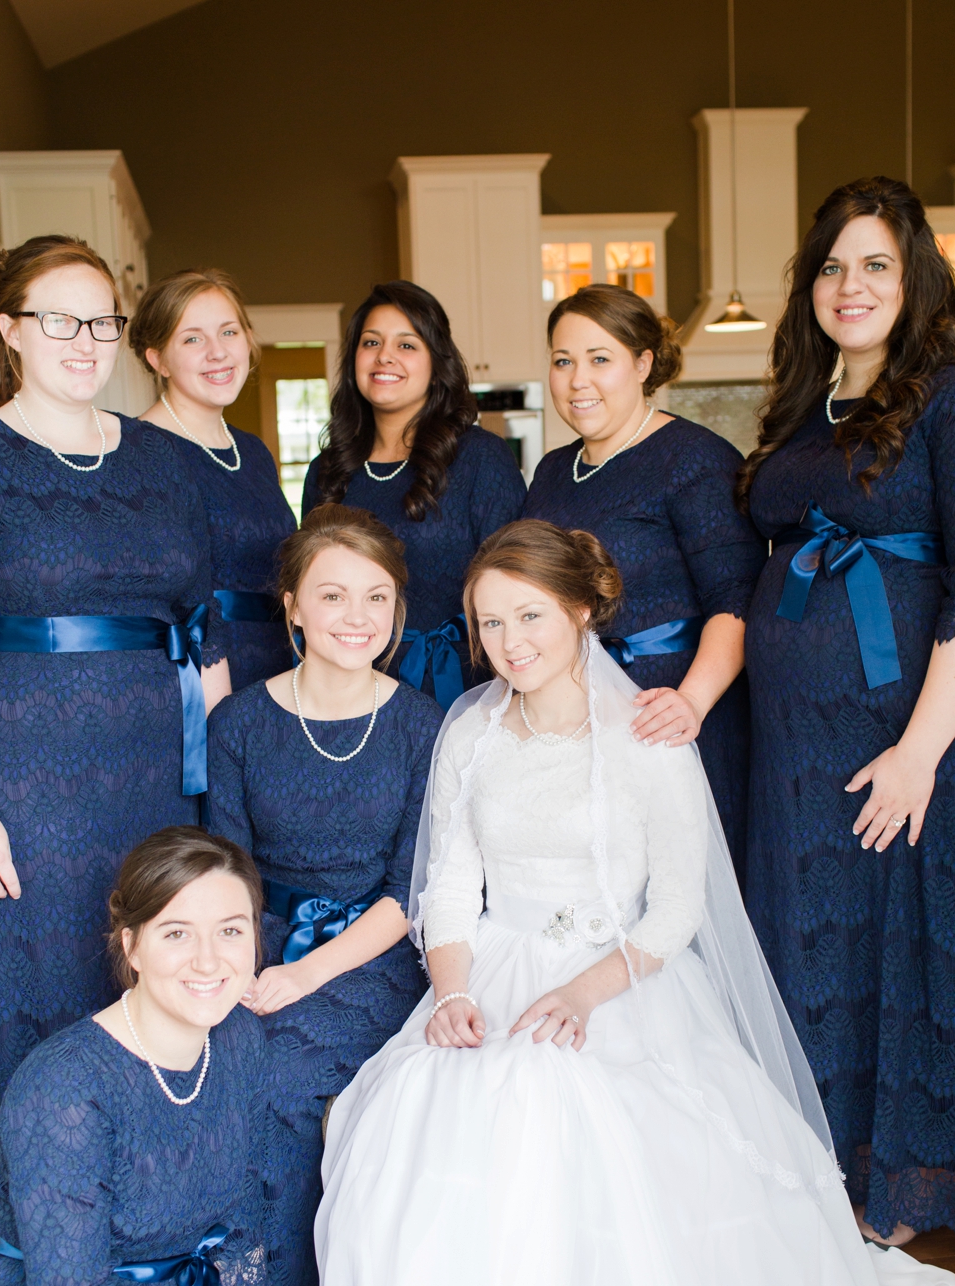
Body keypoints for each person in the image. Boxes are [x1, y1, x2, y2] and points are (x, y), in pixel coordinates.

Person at [315, 519, 955, 1286]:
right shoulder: (470, 730)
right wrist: (453, 993)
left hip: (620, 976)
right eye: (490, 622)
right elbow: (451, 885)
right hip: (492, 968)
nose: (510, 643)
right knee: (420, 1117)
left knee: (572, 1105)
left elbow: (675, 909)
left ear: (581, 611)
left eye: (530, 616)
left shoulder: (647, 732)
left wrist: (585, 995)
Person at [0, 236, 229, 1251]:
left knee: (155, 993)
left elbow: (202, 632)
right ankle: (39, 1259)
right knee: (38, 1009)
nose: (85, 340)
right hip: (20, 792)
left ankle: (155, 1243)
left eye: (102, 320)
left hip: (153, 783)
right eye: (58, 319)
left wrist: (219, 805)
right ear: (11, 331)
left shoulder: (164, 461)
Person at [0, 826, 377, 1286]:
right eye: (177, 933)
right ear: (132, 945)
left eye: (230, 930)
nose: (209, 961)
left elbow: (235, 1228)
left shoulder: (238, 1042)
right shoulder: (64, 1085)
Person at [737, 176, 955, 1248]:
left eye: (876, 264)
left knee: (898, 956)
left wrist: (918, 752)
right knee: (811, 954)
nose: (852, 285)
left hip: (906, 738)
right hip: (792, 748)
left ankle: (908, 1194)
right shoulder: (805, 406)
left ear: (915, 276)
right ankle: (822, 1174)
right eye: (832, 266)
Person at [207, 503, 444, 1286]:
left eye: (377, 598)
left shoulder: (420, 724)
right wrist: (235, 968)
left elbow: (409, 891)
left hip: (373, 955)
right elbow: (227, 872)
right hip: (258, 941)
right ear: (293, 606)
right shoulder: (239, 722)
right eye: (333, 595)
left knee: (278, 1080)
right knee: (205, 1062)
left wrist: (305, 973)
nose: (357, 617)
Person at [524, 284, 765, 877]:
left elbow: (737, 598)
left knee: (676, 894)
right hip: (579, 722)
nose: (578, 380)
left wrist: (692, 702)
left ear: (642, 363)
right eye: (563, 361)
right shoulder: (553, 470)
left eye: (599, 359)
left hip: (672, 719)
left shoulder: (695, 460)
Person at [302, 280, 525, 709]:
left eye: (406, 345)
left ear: (437, 364)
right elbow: (311, 590)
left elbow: (517, 585)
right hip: (350, 688)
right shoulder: (326, 471)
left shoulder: (480, 458)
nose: (385, 356)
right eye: (371, 342)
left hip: (464, 683)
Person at [132, 269, 297, 692]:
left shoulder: (253, 451)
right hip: (198, 674)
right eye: (192, 339)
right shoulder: (137, 449)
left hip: (278, 665)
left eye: (229, 332)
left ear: (248, 339)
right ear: (157, 359)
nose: (218, 352)